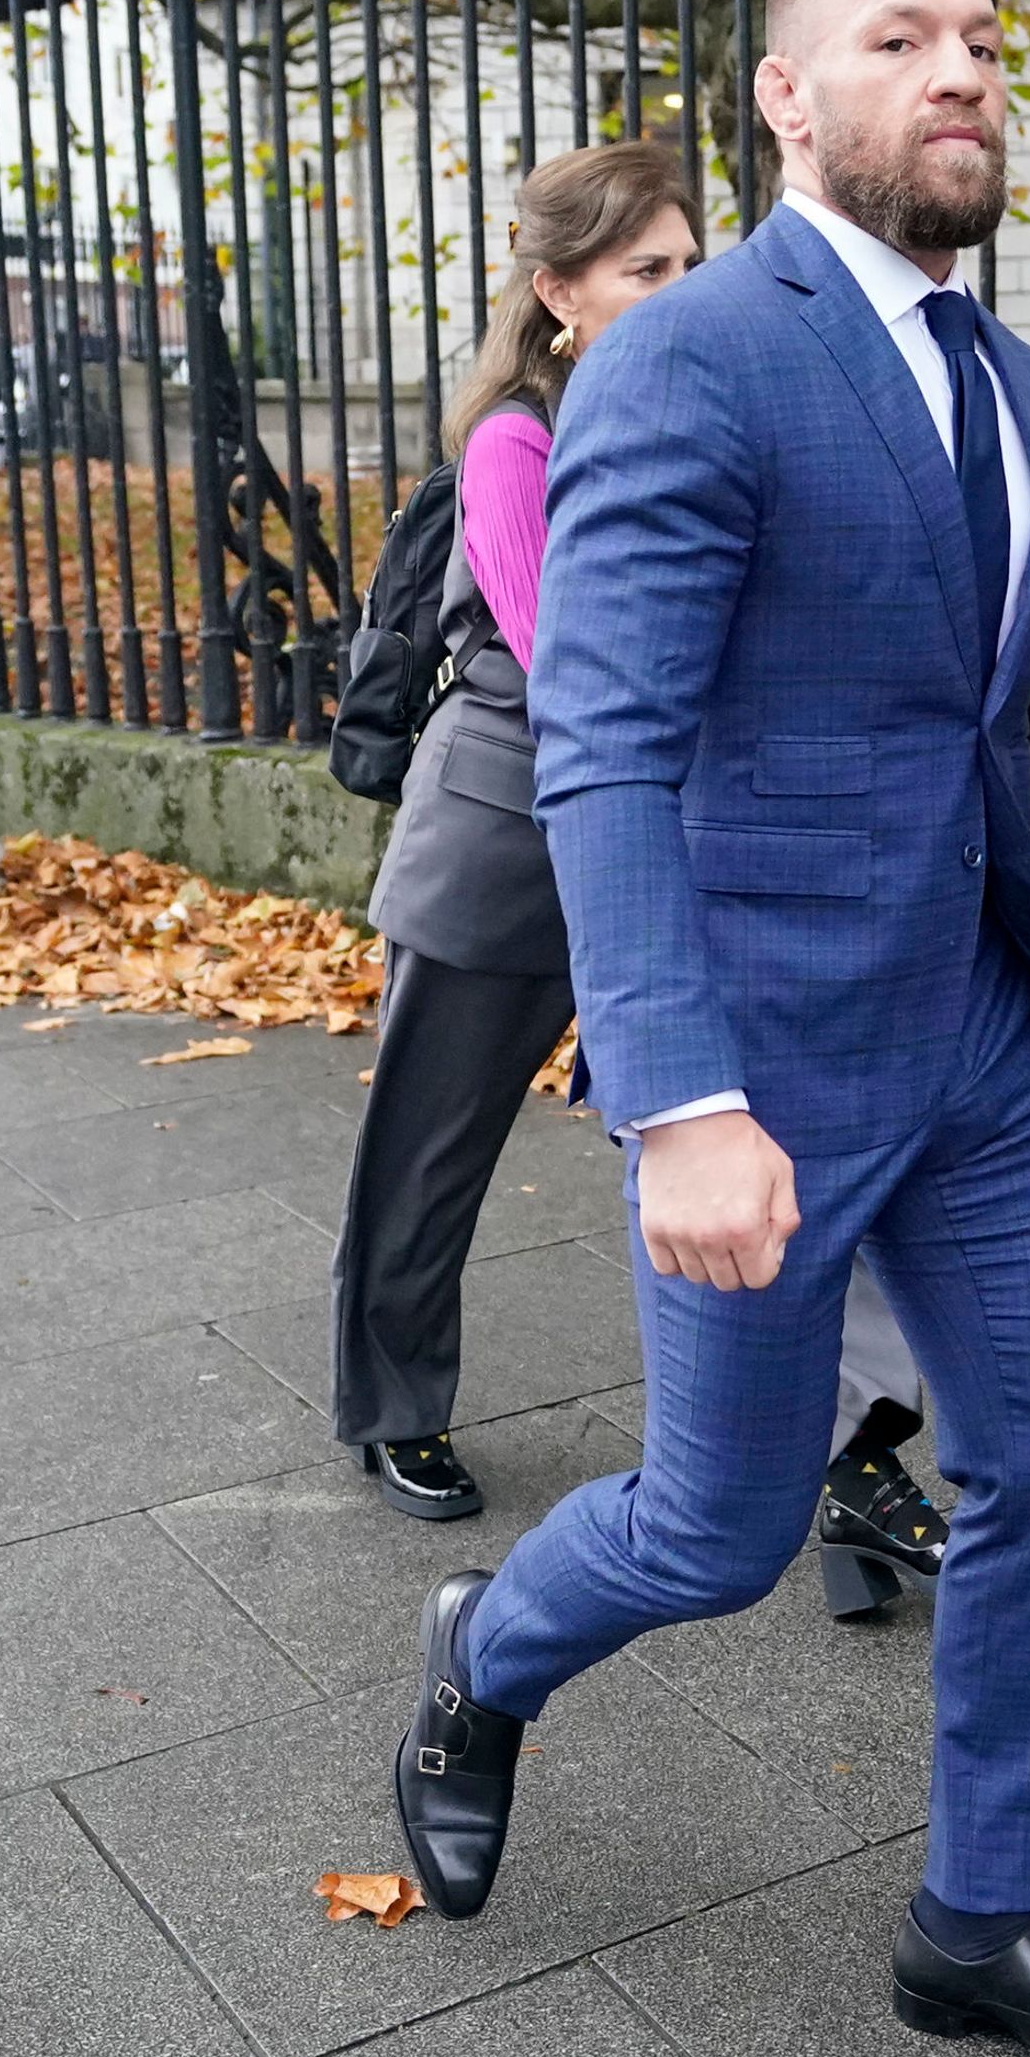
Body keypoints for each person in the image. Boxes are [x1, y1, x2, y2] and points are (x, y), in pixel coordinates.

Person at [393, 0, 1030, 2057]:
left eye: (979, 38)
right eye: (897, 37)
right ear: (789, 99)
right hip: (760, 1055)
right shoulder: (693, 356)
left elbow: (969, 716)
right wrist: (674, 1094)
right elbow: (610, 739)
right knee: (723, 1523)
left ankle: (973, 1917)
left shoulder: (1016, 377)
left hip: (979, 1035)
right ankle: (484, 1658)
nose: (961, 70)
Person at [333, 142, 953, 1603]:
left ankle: (850, 1449)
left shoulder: (708, 410)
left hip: (676, 853)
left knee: (776, 1143)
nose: (684, 290)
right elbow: (579, 667)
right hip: (507, 840)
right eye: (645, 270)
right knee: (431, 1151)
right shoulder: (514, 445)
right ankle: (395, 1407)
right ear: (558, 294)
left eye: (693, 262)